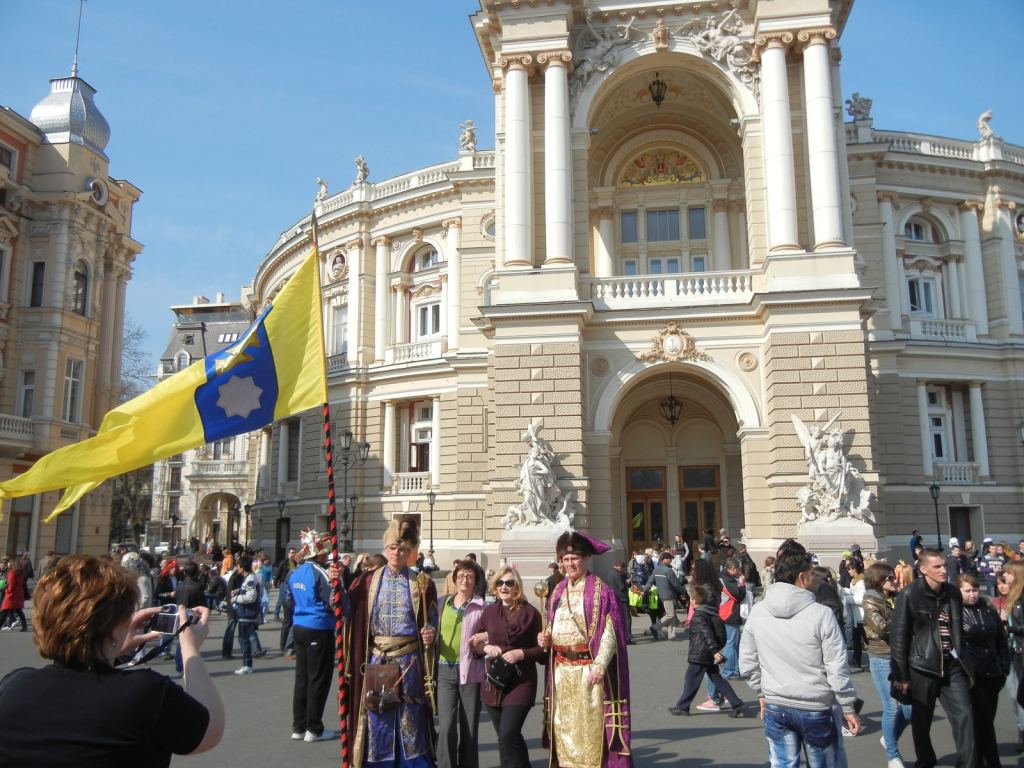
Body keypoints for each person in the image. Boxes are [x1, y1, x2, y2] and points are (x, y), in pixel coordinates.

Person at [0, 554, 224, 764]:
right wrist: (190, 649)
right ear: (114, 626)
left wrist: (113, 651)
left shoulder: (13, 686)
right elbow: (209, 730)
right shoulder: (146, 692)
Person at [739, 551, 860, 767]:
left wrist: (761, 690)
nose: (814, 578)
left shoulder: (758, 612)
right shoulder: (821, 614)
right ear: (802, 577)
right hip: (815, 704)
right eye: (812, 573)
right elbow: (836, 666)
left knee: (782, 764)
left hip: (776, 703)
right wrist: (847, 705)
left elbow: (747, 662)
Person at [347, 515, 437, 767]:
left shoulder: (422, 583)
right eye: (392, 548)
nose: (397, 552)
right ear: (385, 549)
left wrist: (430, 633)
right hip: (377, 660)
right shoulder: (366, 581)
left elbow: (431, 619)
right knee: (378, 714)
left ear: (409, 552)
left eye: (402, 549)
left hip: (409, 662)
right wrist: (336, 587)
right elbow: (349, 612)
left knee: (411, 717)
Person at [538, 531, 632, 768]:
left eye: (574, 559)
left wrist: (600, 665)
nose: (569, 564)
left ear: (586, 558)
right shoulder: (558, 590)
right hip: (561, 670)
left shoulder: (601, 590)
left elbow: (610, 631)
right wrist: (546, 636)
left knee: (588, 728)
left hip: (586, 672)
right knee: (563, 725)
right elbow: (553, 622)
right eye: (565, 560)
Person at [890, 548, 975, 768]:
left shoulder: (953, 593)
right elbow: (899, 637)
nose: (943, 570)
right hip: (922, 666)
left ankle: (967, 763)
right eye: (937, 567)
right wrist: (901, 675)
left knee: (965, 715)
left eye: (944, 565)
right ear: (923, 569)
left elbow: (959, 630)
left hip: (952, 665)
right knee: (922, 720)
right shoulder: (910, 594)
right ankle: (926, 761)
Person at [475, 568, 543, 768]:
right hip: (494, 680)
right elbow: (476, 643)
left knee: (509, 732)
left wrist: (521, 653)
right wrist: (486, 646)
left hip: (521, 681)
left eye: (509, 583)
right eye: (500, 583)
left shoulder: (531, 613)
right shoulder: (488, 612)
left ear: (517, 587)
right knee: (503, 738)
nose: (504, 587)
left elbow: (542, 650)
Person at [286, 529, 338, 741]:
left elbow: (289, 599)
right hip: (319, 627)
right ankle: (314, 728)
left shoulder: (295, 572)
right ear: (320, 554)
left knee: (302, 678)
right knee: (318, 679)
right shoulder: (320, 573)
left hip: (299, 626)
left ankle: (299, 726)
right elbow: (332, 601)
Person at [435, 560, 486, 768]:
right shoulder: (441, 603)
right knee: (446, 725)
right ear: (455, 578)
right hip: (444, 669)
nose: (465, 580)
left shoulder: (482, 607)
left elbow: (495, 631)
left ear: (475, 581)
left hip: (471, 672)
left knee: (469, 728)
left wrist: (485, 634)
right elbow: (431, 629)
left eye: (470, 577)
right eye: (461, 576)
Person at [862, 562, 912, 768]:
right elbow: (881, 628)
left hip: (902, 656)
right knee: (892, 706)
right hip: (881, 657)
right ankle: (893, 755)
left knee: (910, 709)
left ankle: (889, 738)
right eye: (890, 578)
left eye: (894, 577)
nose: (894, 580)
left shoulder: (898, 598)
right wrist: (905, 619)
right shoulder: (871, 599)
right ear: (879, 580)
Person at [669, 584, 744, 717]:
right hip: (708, 652)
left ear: (694, 601)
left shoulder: (699, 615)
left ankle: (683, 706)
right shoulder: (711, 612)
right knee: (717, 678)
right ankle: (736, 703)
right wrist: (715, 650)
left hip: (700, 652)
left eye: (691, 599)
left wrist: (714, 651)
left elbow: (706, 633)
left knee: (691, 678)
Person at [959, 573, 1009, 768]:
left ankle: (981, 760)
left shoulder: (988, 610)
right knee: (982, 722)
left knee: (987, 720)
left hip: (993, 672)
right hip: (973, 675)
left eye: (975, 590)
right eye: (968, 590)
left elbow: (1000, 639)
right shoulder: (956, 612)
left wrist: (1004, 666)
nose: (972, 594)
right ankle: (987, 762)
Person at [1003, 560, 1024, 752]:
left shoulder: (1021, 598)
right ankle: (1021, 729)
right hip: (1010, 651)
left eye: (1008, 573)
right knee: (1013, 695)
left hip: (1020, 651)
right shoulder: (1012, 597)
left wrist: (1010, 628)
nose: (1004, 576)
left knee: (1020, 695)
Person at [232, 555, 262, 675]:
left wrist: (236, 598)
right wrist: (239, 591)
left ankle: (247, 665)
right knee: (244, 638)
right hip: (247, 612)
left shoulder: (250, 579)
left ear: (241, 567)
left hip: (247, 613)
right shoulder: (249, 578)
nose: (237, 568)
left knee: (244, 639)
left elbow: (251, 597)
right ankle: (246, 664)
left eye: (238, 566)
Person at [644, 551, 686, 640]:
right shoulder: (668, 570)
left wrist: (644, 590)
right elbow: (676, 584)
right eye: (670, 559)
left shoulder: (656, 570)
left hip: (662, 595)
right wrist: (683, 592)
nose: (671, 560)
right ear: (665, 560)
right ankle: (654, 628)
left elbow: (650, 582)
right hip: (670, 595)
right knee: (670, 615)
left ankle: (672, 635)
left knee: (672, 615)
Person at [718, 557, 746, 679]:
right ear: (733, 569)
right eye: (738, 569)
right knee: (731, 643)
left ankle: (735, 668)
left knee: (734, 643)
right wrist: (741, 584)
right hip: (729, 614)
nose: (740, 572)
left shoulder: (725, 577)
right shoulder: (726, 580)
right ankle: (729, 671)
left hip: (727, 613)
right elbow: (738, 595)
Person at [606, 560, 632, 643]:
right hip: (622, 598)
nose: (623, 571)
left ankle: (620, 636)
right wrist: (627, 582)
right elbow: (622, 587)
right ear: (620, 567)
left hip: (614, 598)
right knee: (627, 618)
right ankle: (627, 637)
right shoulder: (617, 575)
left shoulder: (610, 573)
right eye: (622, 569)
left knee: (618, 618)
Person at [1, 557, 28, 631]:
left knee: (4, 611)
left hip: (11, 595)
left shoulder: (12, 573)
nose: (8, 564)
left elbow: (11, 585)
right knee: (19, 611)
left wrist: (7, 591)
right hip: (19, 593)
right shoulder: (20, 573)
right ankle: (24, 626)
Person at [273, 547, 297, 621]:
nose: (292, 554)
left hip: (292, 583)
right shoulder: (284, 562)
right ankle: (276, 615)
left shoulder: (295, 563)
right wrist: (275, 581)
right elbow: (278, 571)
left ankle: (288, 615)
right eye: (291, 552)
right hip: (284, 583)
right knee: (281, 599)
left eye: (294, 553)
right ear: (288, 553)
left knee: (290, 599)